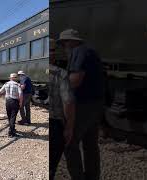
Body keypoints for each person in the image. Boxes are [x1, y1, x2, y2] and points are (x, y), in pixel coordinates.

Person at [57, 29, 104, 180]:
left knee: (69, 142)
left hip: (83, 105)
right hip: (96, 103)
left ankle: (78, 177)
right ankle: (92, 176)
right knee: (90, 144)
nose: (63, 47)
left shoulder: (78, 52)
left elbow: (75, 80)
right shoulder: (91, 52)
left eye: (64, 43)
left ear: (71, 41)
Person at [49, 38, 76, 180]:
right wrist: (69, 127)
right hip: (54, 125)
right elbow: (68, 102)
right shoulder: (61, 73)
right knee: (51, 167)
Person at [0, 73, 23, 137]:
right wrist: (21, 102)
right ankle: (11, 132)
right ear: (16, 78)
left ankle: (11, 128)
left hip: (7, 101)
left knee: (9, 116)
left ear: (10, 78)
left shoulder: (6, 84)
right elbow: (20, 94)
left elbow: (0, 91)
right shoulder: (18, 85)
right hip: (14, 102)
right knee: (13, 117)